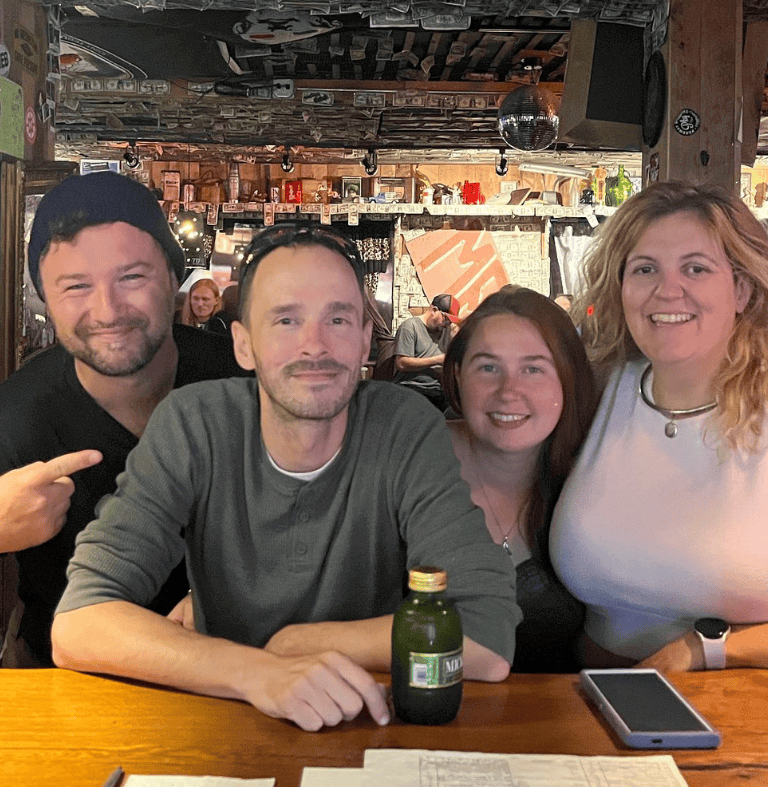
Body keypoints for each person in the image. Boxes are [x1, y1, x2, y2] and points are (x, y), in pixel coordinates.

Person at [51, 224, 520, 731]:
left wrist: (299, 643)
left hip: (363, 724)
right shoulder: (195, 423)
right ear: (243, 345)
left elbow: (488, 638)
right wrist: (258, 673)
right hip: (221, 725)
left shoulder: (403, 426)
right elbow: (79, 623)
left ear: (365, 340)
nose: (314, 345)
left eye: (338, 319)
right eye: (286, 320)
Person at [0, 170, 248, 667]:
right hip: (69, 680)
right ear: (45, 300)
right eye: (75, 286)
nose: (107, 310)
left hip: (243, 669)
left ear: (174, 277)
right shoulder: (19, 414)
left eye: (132, 277)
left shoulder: (246, 386)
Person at [550, 181, 768, 672]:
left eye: (696, 268)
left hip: (742, 706)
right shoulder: (599, 388)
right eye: (645, 269)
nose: (667, 290)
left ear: (741, 289)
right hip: (592, 699)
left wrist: (702, 649)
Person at [442, 287, 598, 672]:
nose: (509, 391)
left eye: (533, 369)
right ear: (458, 375)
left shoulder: (591, 481)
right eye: (488, 367)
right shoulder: (412, 465)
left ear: (568, 379)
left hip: (553, 709)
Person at [392, 293, 460, 410]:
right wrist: (437, 360)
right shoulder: (410, 326)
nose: (447, 324)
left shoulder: (447, 331)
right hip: (412, 386)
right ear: (434, 310)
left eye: (450, 322)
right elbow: (401, 363)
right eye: (446, 320)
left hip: (438, 390)